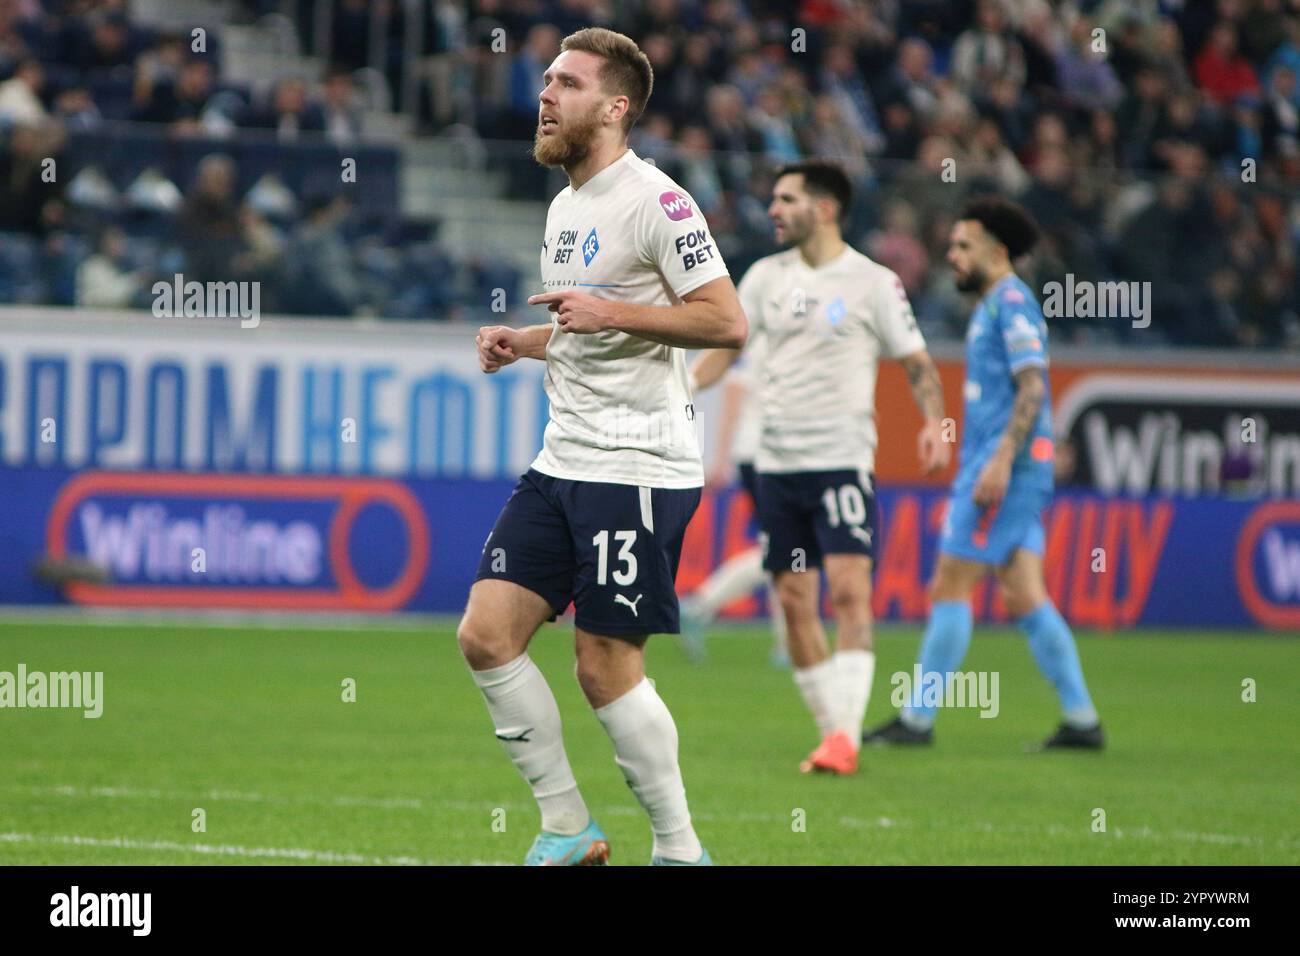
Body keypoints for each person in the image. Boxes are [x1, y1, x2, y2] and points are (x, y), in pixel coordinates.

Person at [458, 27, 746, 866]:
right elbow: (584, 330)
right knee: (485, 635)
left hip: (637, 465)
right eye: (546, 79)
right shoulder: (564, 204)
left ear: (615, 108)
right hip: (562, 462)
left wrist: (611, 311)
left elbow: (726, 320)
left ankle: (681, 850)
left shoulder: (658, 203)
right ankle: (567, 825)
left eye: (567, 83)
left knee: (603, 666)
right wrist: (528, 340)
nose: (544, 94)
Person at [692, 160, 948, 776]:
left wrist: (937, 423)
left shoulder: (873, 283)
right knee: (795, 597)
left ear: (825, 209)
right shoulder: (762, 278)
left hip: (841, 462)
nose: (773, 210)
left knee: (852, 593)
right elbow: (725, 353)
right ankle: (837, 733)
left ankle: (843, 737)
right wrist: (679, 393)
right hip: (777, 466)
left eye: (786, 200)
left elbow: (917, 364)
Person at [863, 196, 1104, 750]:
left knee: (950, 581)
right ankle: (1082, 720)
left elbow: (1034, 386)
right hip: (1007, 466)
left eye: (963, 246)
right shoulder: (995, 304)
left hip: (1005, 471)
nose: (952, 255)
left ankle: (917, 721)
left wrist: (998, 460)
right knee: (1023, 593)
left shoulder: (1013, 305)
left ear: (996, 252)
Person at [679, 333, 790, 668]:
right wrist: (723, 457)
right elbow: (734, 389)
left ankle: (786, 643)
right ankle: (701, 605)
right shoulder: (771, 339)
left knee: (784, 550)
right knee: (786, 549)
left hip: (763, 456)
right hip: (768, 458)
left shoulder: (768, 336)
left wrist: (726, 456)